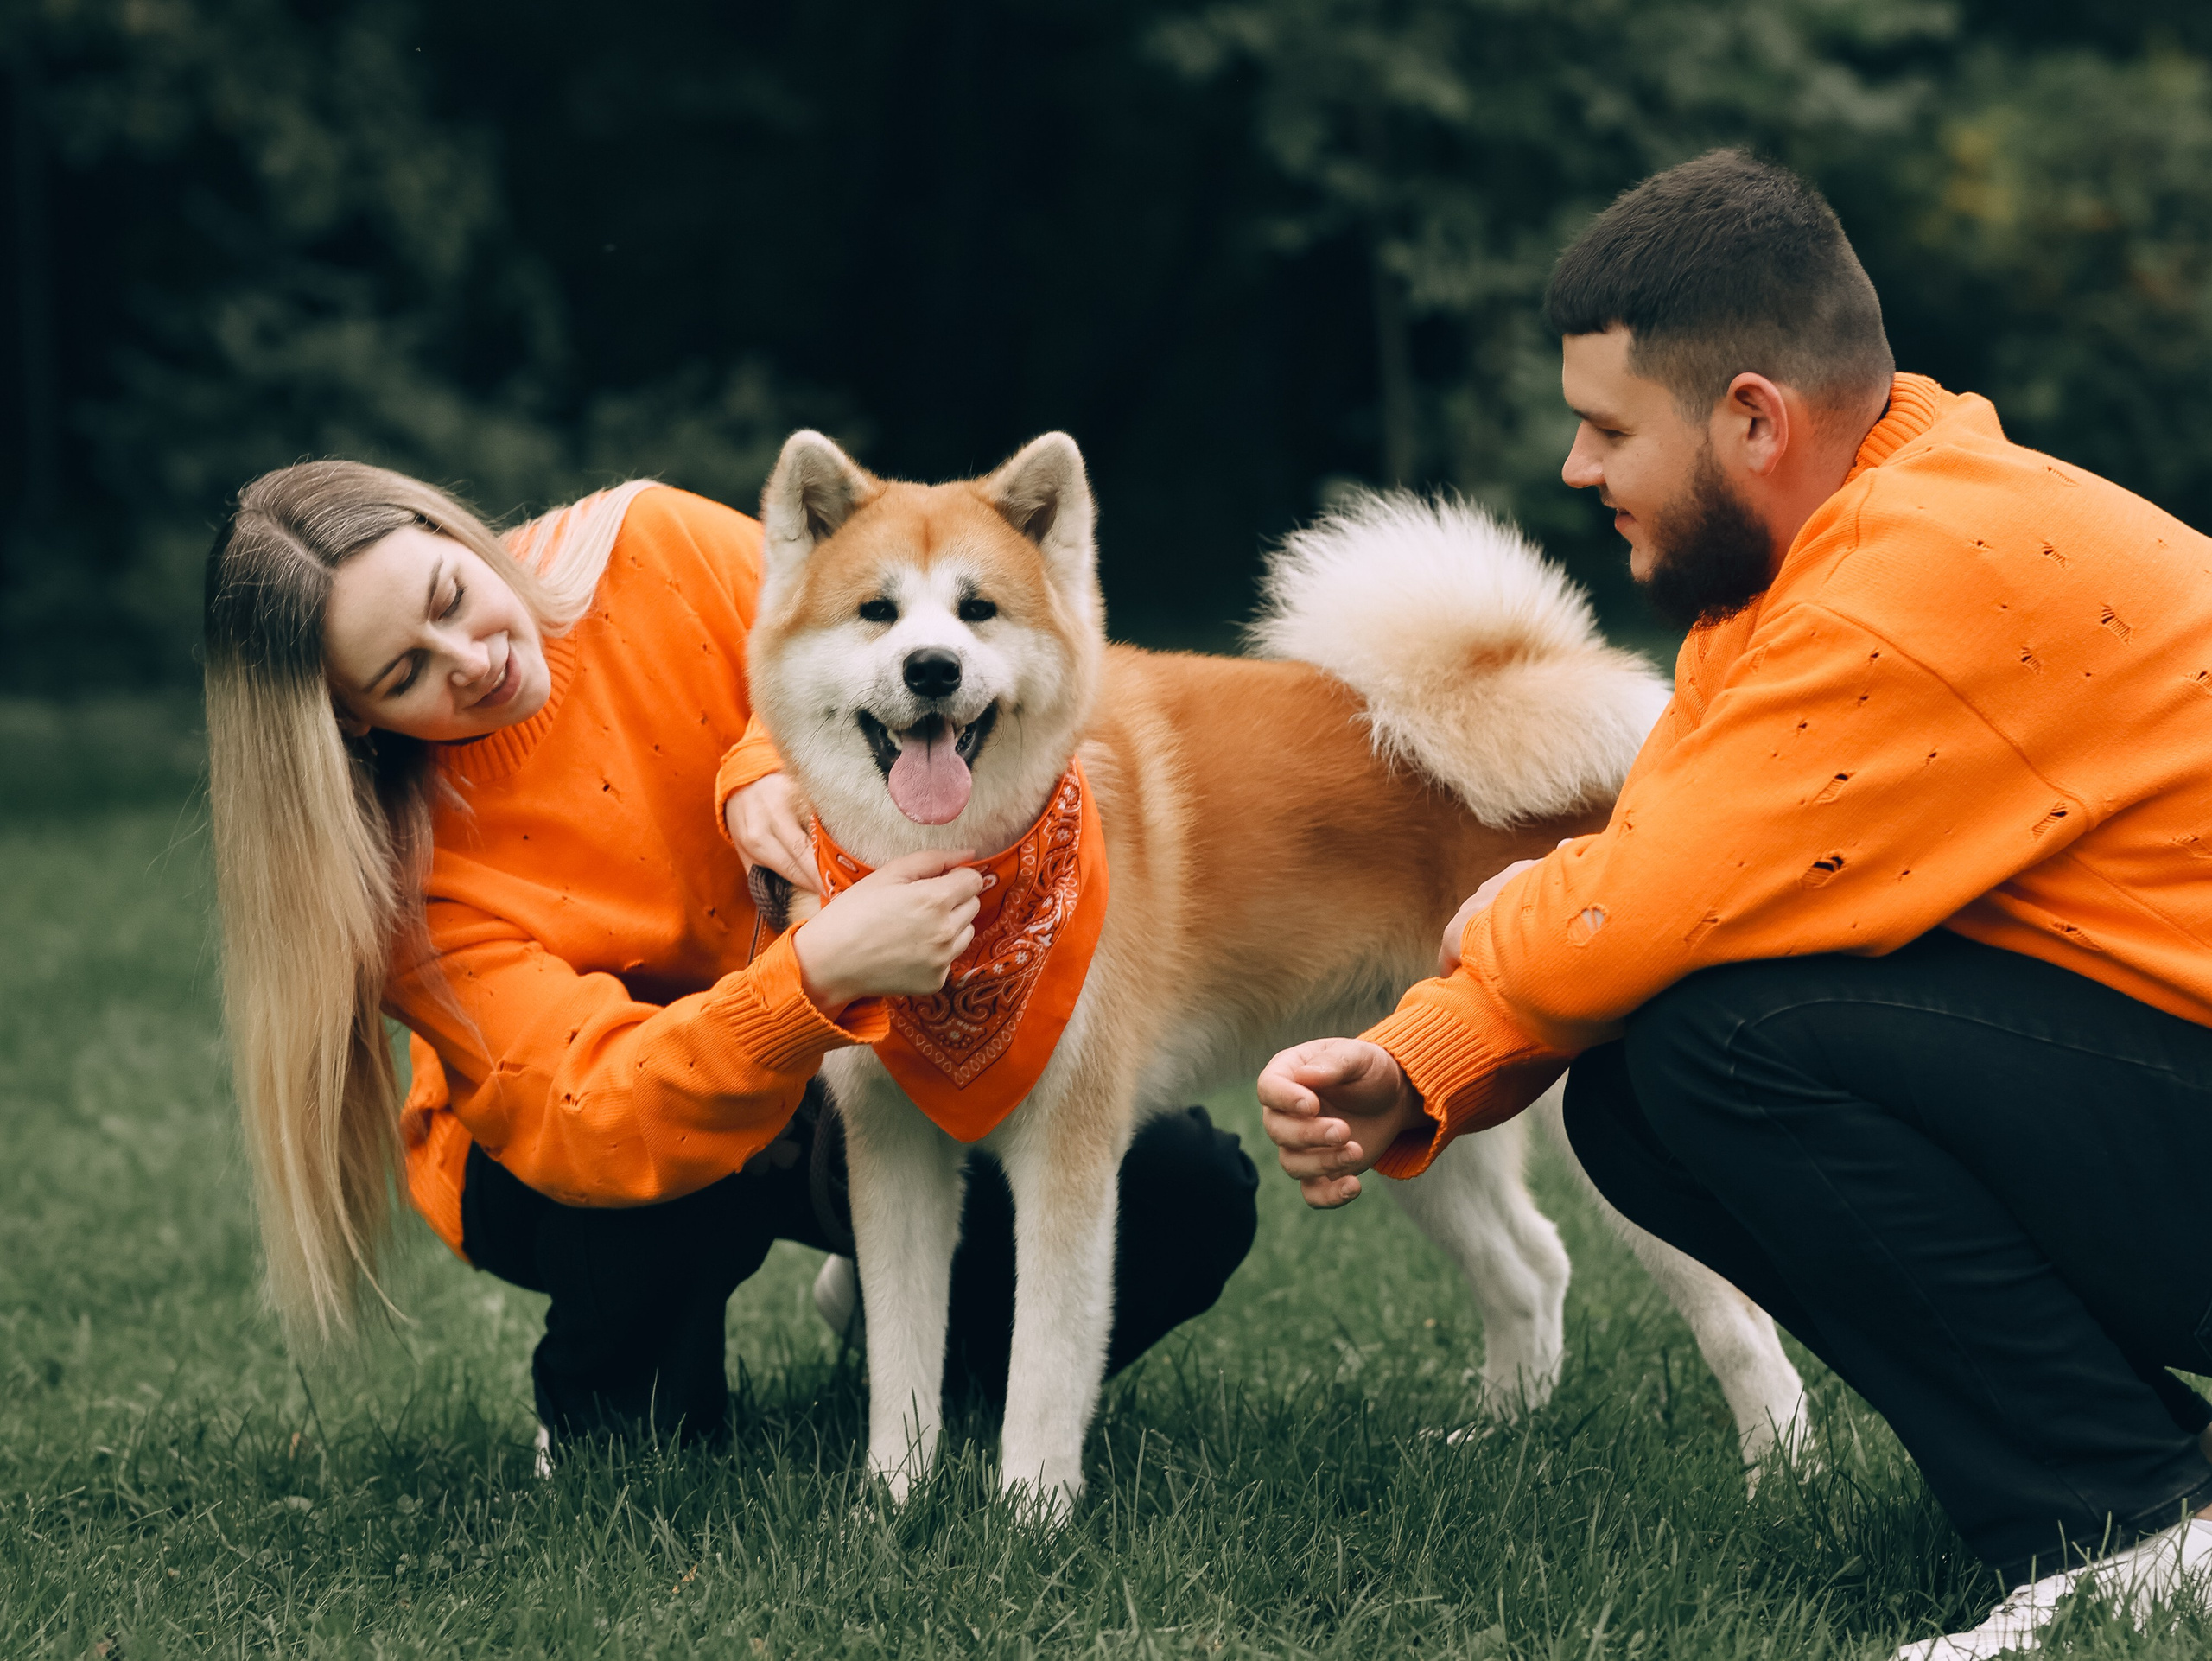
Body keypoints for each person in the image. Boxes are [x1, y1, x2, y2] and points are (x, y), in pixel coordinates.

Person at [1256, 150, 2212, 1658]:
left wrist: (1467, 968)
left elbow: (1636, 914)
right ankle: (2123, 1477)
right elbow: (1660, 876)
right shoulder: (1840, 545)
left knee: (1718, 1045)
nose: (1579, 470)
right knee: (1649, 1073)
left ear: (1754, 418)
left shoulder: (1901, 586)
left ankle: (2133, 1520)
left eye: (1608, 427)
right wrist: (1434, 1052)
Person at [203, 462, 1257, 1449]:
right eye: (406, 672)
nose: (473, 660)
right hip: (582, 1151)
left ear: (455, 532)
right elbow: (589, 1112)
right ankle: (599, 1401)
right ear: (350, 719)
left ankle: (920, 1341)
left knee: (1186, 1190)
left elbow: (831, 631)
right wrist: (813, 980)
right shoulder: (400, 873)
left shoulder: (651, 542)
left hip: (836, 1067)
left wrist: (759, 764)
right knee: (649, 1372)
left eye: (447, 596)